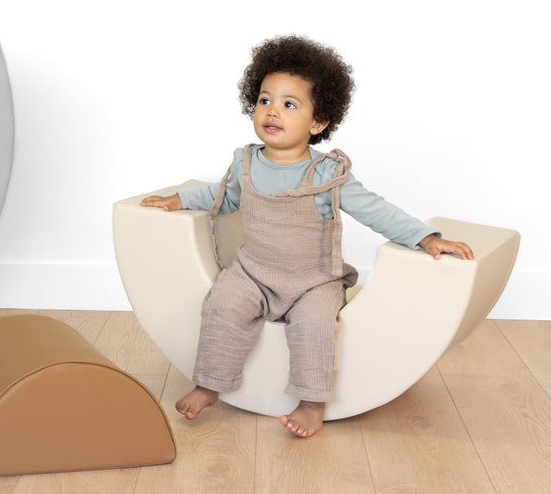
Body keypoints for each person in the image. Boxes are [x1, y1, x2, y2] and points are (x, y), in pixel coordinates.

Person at [141, 35, 472, 438]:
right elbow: (221, 196)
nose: (272, 111)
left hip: (312, 280)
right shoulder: (245, 161)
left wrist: (425, 238)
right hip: (254, 272)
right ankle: (210, 383)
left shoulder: (327, 174)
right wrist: (180, 199)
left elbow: (375, 209)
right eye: (264, 100)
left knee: (316, 326)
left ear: (318, 122)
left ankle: (312, 402)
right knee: (221, 307)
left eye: (289, 104)